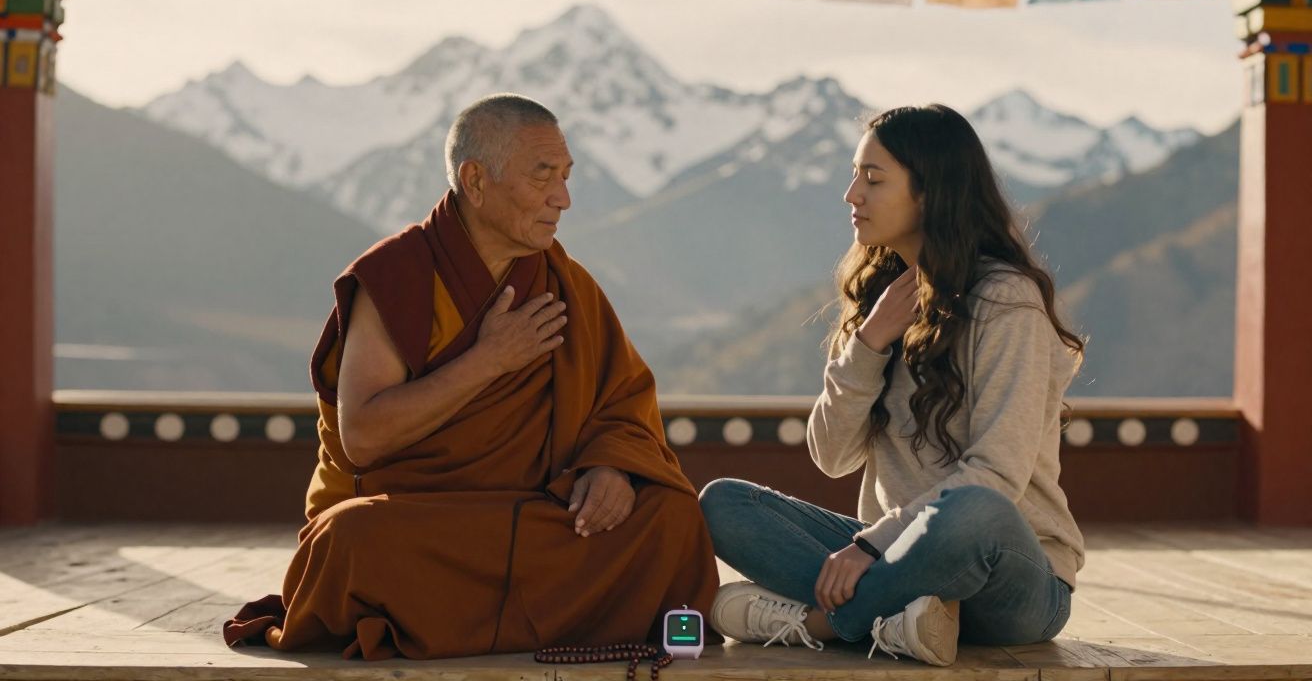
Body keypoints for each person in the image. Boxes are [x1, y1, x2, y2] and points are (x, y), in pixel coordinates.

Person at [223, 93, 720, 660]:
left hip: (533, 516)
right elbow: (363, 437)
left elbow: (622, 404)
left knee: (672, 515)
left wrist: (611, 467)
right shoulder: (398, 277)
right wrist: (487, 361)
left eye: (566, 176)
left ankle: (464, 621)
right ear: (476, 180)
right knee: (349, 539)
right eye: (543, 176)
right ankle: (562, 619)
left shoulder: (565, 284)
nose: (563, 198)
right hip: (424, 522)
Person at [699, 104, 1086, 666]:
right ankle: (902, 621)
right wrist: (869, 344)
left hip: (1011, 580)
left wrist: (867, 546)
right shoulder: (883, 300)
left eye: (873, 179)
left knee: (973, 509)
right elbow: (832, 456)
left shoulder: (1005, 301)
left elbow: (998, 475)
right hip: (892, 556)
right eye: (855, 175)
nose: (851, 194)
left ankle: (825, 624)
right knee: (723, 504)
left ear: (930, 192)